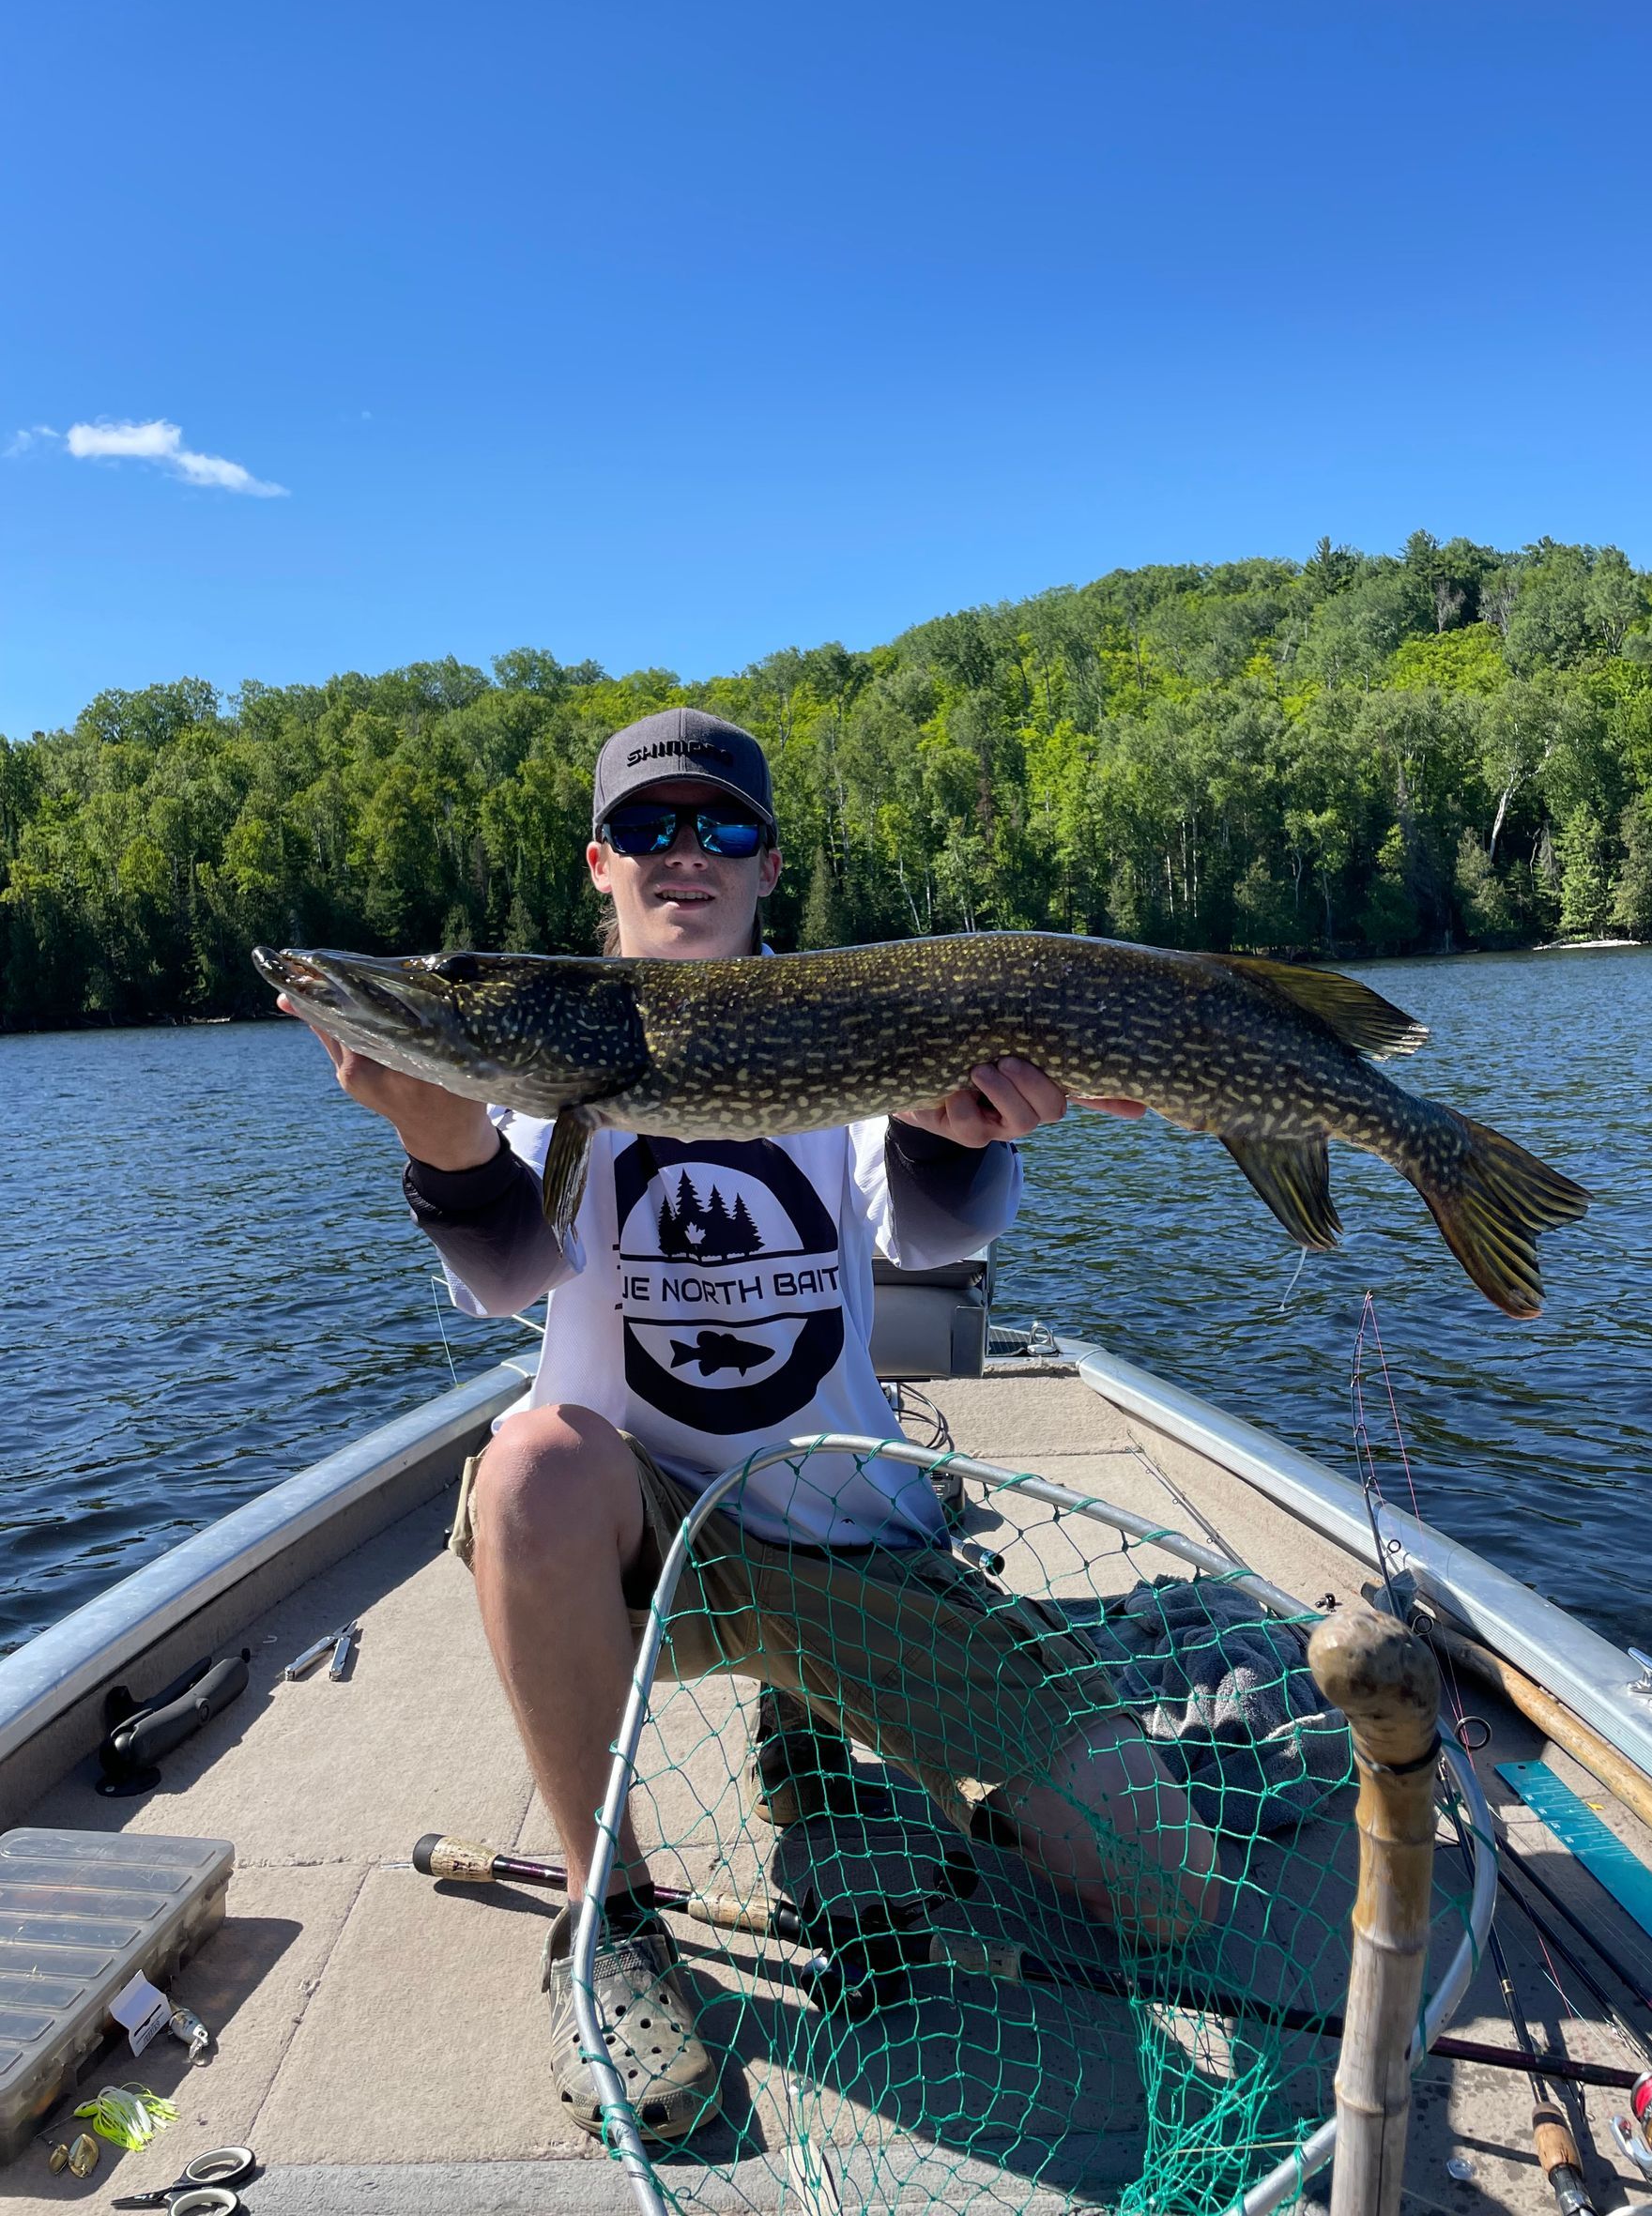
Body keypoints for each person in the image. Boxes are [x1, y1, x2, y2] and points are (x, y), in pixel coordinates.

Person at [281, 706, 1214, 2145]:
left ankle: (832, 1734)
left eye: (721, 829)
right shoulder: (553, 1047)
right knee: (525, 1463)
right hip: (647, 1544)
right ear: (601, 866)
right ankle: (614, 1919)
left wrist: (960, 1126)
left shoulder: (854, 1016)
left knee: (1167, 1888)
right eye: (650, 829)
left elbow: (934, 1239)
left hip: (851, 1534)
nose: (685, 855)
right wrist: (440, 1137)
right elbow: (505, 1274)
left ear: (769, 868)